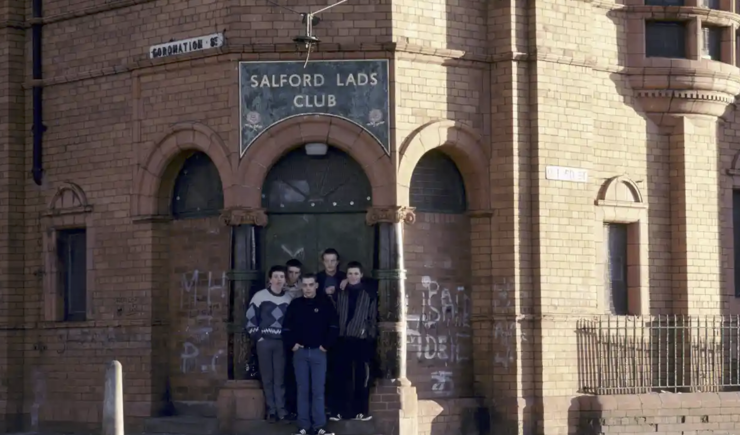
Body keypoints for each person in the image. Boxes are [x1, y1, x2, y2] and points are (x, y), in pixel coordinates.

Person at [282, 273, 339, 435]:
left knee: (318, 390)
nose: (307, 288)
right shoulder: (295, 304)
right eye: (305, 285)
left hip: (318, 353)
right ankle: (303, 427)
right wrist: (292, 345)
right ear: (301, 286)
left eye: (310, 285)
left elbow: (334, 326)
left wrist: (325, 346)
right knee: (302, 390)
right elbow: (286, 327)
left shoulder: (325, 303)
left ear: (316, 286)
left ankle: (319, 426)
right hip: (300, 353)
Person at [329, 261, 377, 422]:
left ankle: (360, 411)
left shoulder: (368, 293)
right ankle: (340, 411)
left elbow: (372, 318)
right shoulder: (340, 293)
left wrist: (368, 334)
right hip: (342, 340)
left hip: (360, 340)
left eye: (356, 273)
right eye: (350, 274)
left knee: (361, 377)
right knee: (341, 377)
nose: (353, 276)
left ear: (361, 275)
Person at [246, 265, 293, 424]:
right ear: (270, 279)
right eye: (276, 276)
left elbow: (292, 323)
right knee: (267, 378)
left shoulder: (288, 299)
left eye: (281, 276)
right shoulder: (259, 297)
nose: (279, 280)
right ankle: (271, 411)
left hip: (281, 343)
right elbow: (251, 318)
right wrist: (258, 337)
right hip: (264, 342)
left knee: (279, 378)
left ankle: (282, 411)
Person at [283, 258, 303, 420]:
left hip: (298, 336)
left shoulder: (303, 289)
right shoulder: (276, 287)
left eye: (296, 273)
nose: (293, 276)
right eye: (290, 272)